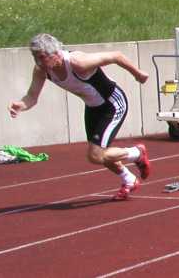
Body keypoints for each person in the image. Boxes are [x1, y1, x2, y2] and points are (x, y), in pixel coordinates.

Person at [9, 34, 153, 200]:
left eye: (41, 57)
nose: (38, 62)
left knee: (96, 154)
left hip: (112, 104)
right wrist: (21, 104)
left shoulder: (78, 62)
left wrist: (138, 73)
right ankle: (129, 179)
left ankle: (137, 153)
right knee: (99, 153)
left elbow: (116, 56)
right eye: (35, 57)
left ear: (55, 53)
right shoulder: (42, 70)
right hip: (92, 108)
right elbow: (32, 96)